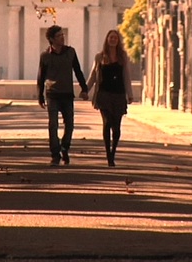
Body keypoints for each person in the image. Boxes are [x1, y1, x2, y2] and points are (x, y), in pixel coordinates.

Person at [37, 25, 89, 166]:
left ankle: (65, 148)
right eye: (59, 36)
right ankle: (55, 154)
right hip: (52, 94)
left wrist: (84, 88)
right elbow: (41, 77)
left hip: (67, 94)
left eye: (62, 35)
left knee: (70, 125)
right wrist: (40, 96)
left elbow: (77, 71)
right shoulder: (45, 56)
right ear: (52, 39)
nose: (62, 37)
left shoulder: (70, 52)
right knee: (53, 125)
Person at [86, 29, 134, 167]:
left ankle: (113, 151)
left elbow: (126, 76)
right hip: (104, 95)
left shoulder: (123, 57)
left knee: (116, 127)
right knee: (107, 123)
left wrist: (129, 94)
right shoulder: (100, 57)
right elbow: (93, 77)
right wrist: (85, 90)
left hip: (118, 95)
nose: (113, 40)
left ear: (118, 41)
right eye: (110, 37)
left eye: (115, 38)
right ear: (107, 40)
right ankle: (109, 156)